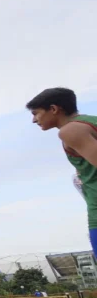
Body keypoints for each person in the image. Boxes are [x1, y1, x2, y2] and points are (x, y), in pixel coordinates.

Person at [27, 87, 97, 255]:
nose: (34, 120)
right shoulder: (90, 121)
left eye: (36, 113)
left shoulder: (70, 130)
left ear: (53, 109)